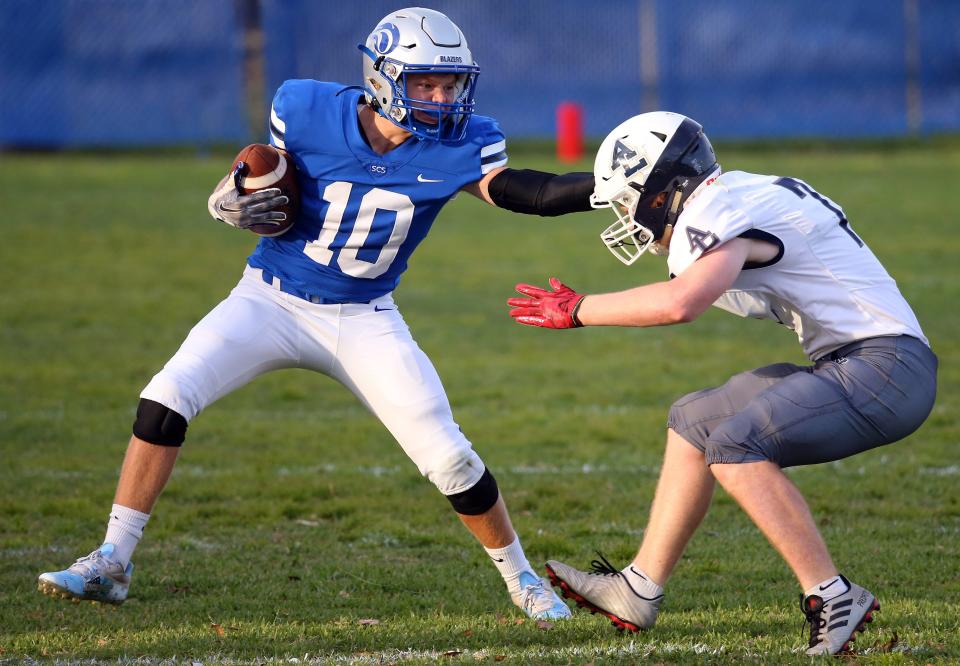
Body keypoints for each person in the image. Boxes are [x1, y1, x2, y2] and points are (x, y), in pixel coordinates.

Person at [37, 7, 598, 621]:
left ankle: (522, 581)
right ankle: (113, 559)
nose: (441, 98)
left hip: (364, 316)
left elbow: (530, 194)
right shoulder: (305, 108)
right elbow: (263, 177)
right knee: (166, 396)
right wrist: (231, 198)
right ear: (384, 78)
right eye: (424, 83)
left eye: (450, 84)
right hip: (268, 298)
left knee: (448, 456)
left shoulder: (464, 142)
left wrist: (613, 184)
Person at [506, 111, 938, 654]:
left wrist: (578, 310)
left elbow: (681, 304)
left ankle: (832, 594)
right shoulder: (736, 195)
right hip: (860, 362)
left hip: (884, 369)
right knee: (694, 420)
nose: (626, 213)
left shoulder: (719, 210)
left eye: (628, 198)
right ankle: (638, 590)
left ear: (661, 187)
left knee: (736, 444)